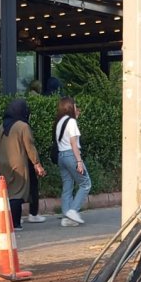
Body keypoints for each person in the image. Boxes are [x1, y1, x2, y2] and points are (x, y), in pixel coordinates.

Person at [0, 98, 46, 230]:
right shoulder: (23, 126)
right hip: (18, 164)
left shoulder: (3, 126)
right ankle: (15, 223)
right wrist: (37, 164)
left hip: (4, 163)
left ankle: (7, 220)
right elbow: (29, 146)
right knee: (18, 193)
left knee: (8, 192)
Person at [54, 96, 91, 227]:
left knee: (67, 186)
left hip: (62, 156)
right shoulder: (71, 122)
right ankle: (73, 211)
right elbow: (73, 143)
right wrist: (79, 161)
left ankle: (66, 216)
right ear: (70, 107)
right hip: (71, 155)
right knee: (86, 184)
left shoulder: (60, 121)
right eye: (74, 105)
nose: (76, 107)